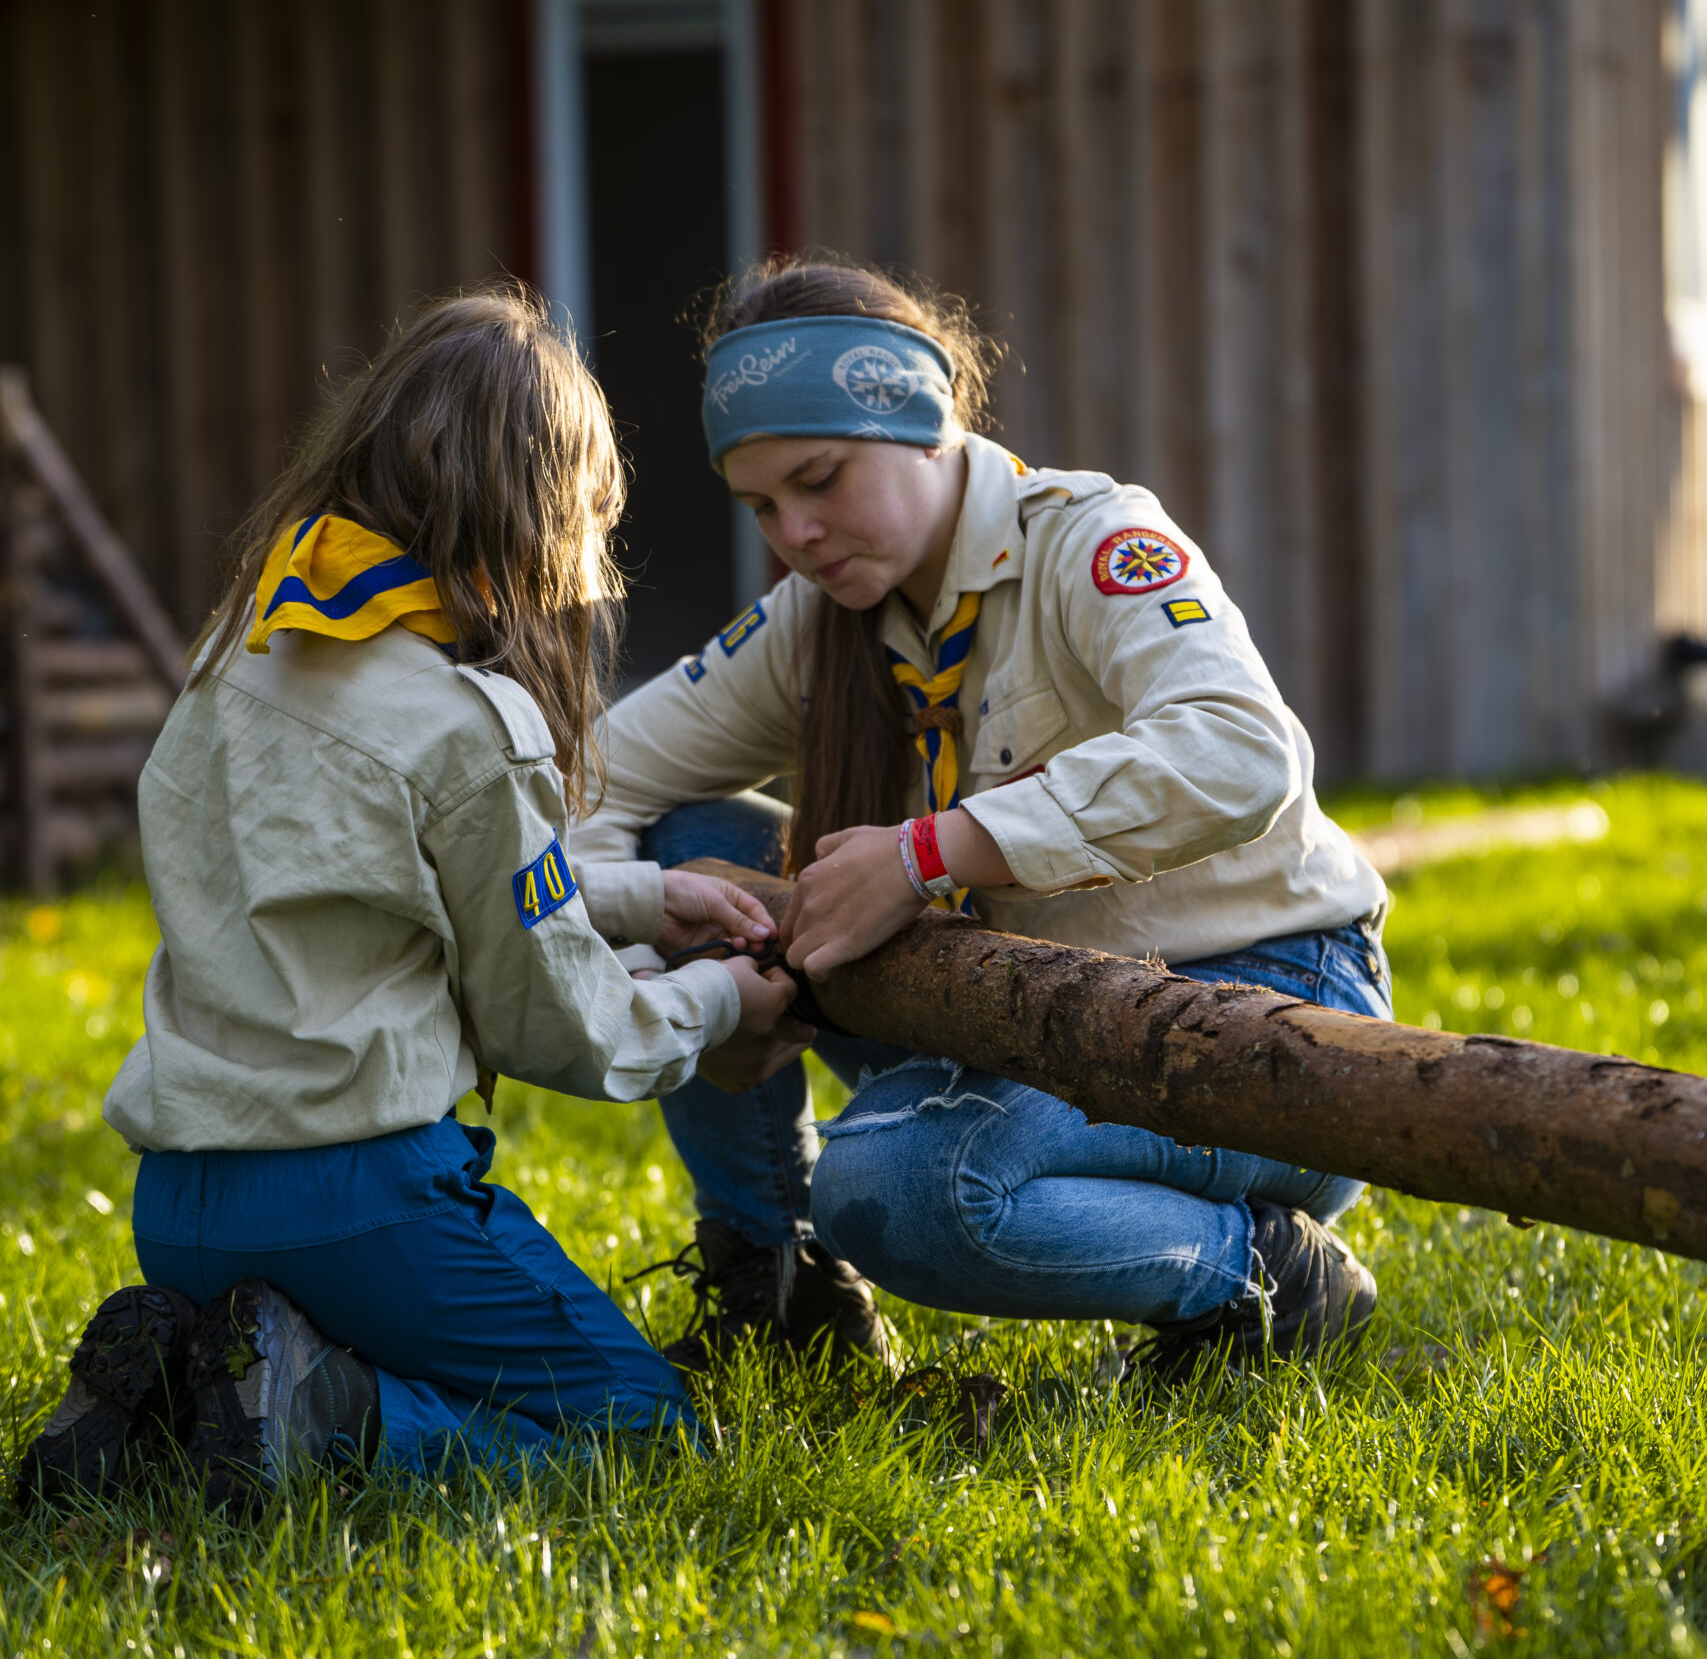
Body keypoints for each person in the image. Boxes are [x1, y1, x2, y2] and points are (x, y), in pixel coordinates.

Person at [13, 286, 804, 1514]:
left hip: (178, 1202)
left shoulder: (242, 651)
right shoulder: (464, 720)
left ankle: (184, 1396)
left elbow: (382, 888)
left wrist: (650, 897)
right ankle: (331, 1420)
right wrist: (714, 999)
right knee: (643, 1432)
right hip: (359, 1199)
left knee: (362, 1361)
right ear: (540, 511)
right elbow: (562, 1025)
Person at [581, 254, 1392, 1381]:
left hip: (1266, 999)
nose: (796, 533)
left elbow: (1241, 749)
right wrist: (656, 982)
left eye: (821, 479)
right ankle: (776, 1282)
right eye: (762, 504)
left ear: (925, 422)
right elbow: (595, 777)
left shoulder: (1089, 541)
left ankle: (1260, 1273)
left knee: (893, 1187)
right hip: (1031, 1008)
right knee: (693, 849)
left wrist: (927, 852)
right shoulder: (813, 620)